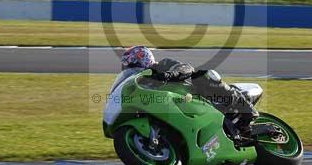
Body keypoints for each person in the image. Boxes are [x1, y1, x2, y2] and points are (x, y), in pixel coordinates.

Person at [109, 45, 258, 135]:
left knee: (203, 75)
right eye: (128, 68)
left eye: (133, 64)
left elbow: (186, 68)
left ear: (143, 58)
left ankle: (247, 111)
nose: (131, 69)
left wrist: (171, 73)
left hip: (195, 94)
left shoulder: (164, 64)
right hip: (178, 107)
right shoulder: (143, 82)